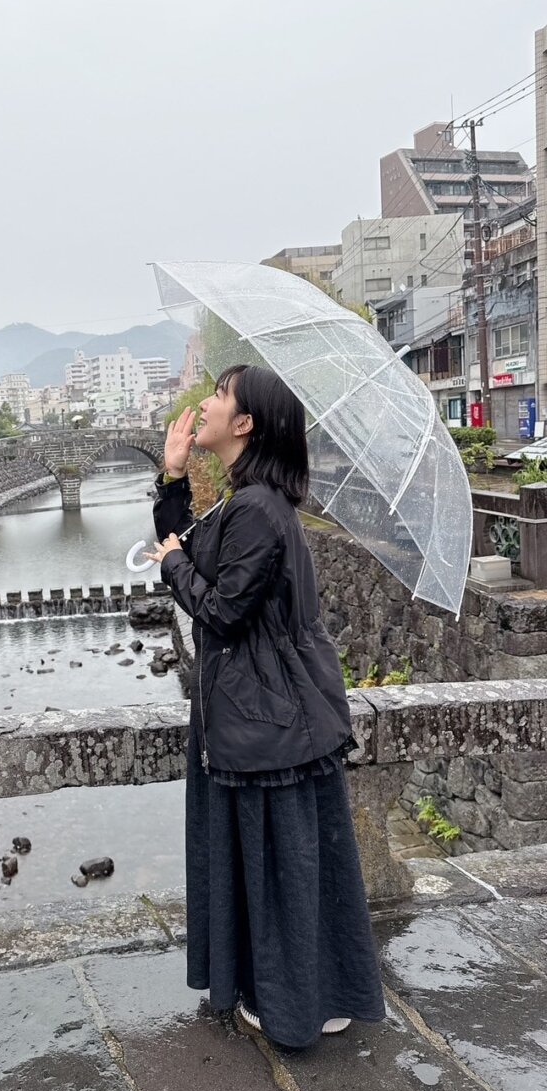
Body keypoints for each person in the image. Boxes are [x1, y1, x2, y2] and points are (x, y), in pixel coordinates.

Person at [145, 365, 385, 1048]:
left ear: (245, 422)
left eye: (220, 396)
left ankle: (294, 1006)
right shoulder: (250, 498)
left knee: (276, 867)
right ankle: (322, 993)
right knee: (302, 865)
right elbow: (190, 545)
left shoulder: (255, 509)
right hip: (277, 710)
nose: (206, 404)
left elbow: (219, 609)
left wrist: (170, 566)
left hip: (265, 715)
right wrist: (172, 475)